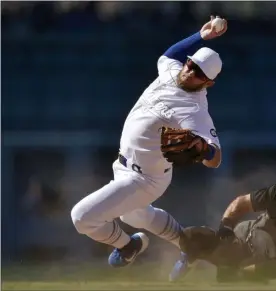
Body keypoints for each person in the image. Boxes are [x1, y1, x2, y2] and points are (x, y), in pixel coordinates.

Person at [70, 16, 228, 268]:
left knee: (81, 217)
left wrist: (203, 149)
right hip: (124, 167)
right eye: (191, 64)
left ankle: (128, 245)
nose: (190, 72)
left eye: (199, 73)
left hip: (145, 179)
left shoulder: (194, 110)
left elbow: (216, 159)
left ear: (208, 83)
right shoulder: (173, 72)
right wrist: (201, 36)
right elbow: (169, 55)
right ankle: (190, 246)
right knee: (135, 215)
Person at [170, 167, 276, 282]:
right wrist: (226, 227)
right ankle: (191, 257)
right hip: (242, 238)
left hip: (262, 267)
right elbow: (242, 202)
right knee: (192, 237)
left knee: (235, 281)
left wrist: (239, 272)